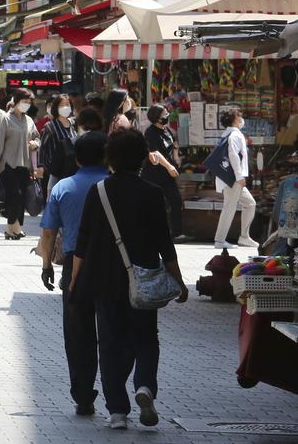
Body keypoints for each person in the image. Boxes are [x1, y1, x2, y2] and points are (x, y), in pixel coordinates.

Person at [70, 130, 187, 430]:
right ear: (141, 159)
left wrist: (74, 281)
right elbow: (165, 243)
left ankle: (118, 411)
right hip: (143, 280)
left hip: (103, 281)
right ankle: (145, 386)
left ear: (111, 158)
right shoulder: (152, 192)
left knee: (109, 344)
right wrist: (179, 281)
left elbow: (82, 242)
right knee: (146, 338)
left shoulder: (99, 191)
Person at [38, 133, 109, 417]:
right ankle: (116, 394)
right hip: (113, 267)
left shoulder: (63, 188)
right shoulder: (113, 185)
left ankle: (83, 394)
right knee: (112, 330)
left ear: (76, 158)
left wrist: (45, 266)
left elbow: (47, 231)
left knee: (78, 333)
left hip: (73, 267)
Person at [0, 88, 41, 240]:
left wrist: (35, 144)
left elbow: (37, 137)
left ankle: (13, 229)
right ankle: (11, 227)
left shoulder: (29, 121)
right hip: (7, 164)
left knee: (21, 197)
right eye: (24, 101)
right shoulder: (5, 119)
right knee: (15, 195)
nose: (27, 104)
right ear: (16, 101)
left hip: (24, 165)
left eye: (29, 102)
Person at [214, 106, 257, 249]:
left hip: (229, 177)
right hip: (233, 178)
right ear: (234, 119)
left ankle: (245, 237)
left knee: (250, 204)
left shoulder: (226, 134)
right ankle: (220, 241)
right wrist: (239, 176)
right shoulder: (236, 135)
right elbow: (233, 155)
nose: (241, 119)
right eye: (239, 116)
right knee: (229, 207)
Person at [142, 105, 185, 240]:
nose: (167, 116)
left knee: (176, 201)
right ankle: (154, 233)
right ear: (156, 117)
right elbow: (155, 153)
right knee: (156, 204)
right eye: (164, 114)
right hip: (154, 173)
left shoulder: (166, 130)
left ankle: (177, 233)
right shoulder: (150, 132)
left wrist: (176, 157)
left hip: (167, 173)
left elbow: (174, 144)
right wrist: (169, 167)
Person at [39, 94, 78, 195]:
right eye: (61, 105)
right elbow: (43, 148)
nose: (65, 107)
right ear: (56, 108)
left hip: (73, 169)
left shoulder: (74, 124)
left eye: (67, 104)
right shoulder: (50, 126)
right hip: (55, 171)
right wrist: (40, 166)